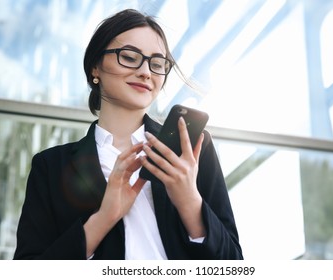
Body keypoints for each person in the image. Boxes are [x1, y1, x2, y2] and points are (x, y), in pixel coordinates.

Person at [14, 8, 243, 260]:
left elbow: (233, 263)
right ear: (95, 68)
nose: (146, 72)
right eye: (130, 57)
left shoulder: (190, 148)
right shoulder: (51, 167)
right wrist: (104, 218)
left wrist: (190, 201)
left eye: (157, 64)